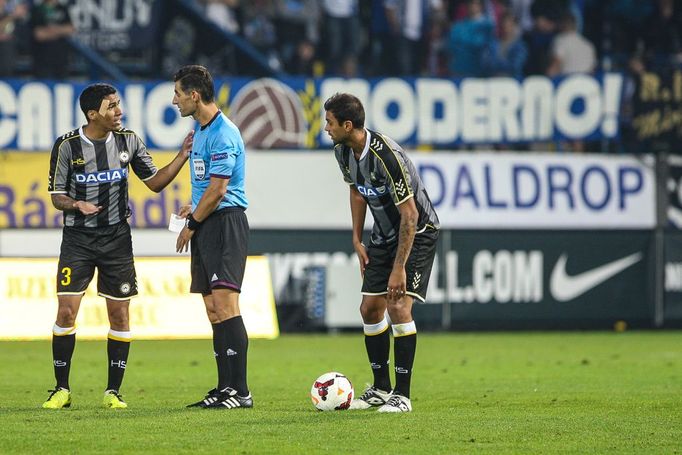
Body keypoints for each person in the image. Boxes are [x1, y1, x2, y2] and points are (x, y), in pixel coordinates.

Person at [43, 83, 193, 409]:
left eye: (118, 104)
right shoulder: (67, 146)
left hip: (117, 241)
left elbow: (154, 183)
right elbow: (56, 196)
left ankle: (113, 392)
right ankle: (61, 389)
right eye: (111, 106)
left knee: (120, 316)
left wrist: (181, 156)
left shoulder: (129, 141)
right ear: (92, 114)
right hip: (78, 240)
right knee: (66, 311)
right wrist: (75, 205)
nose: (119, 111)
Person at [323, 93, 440, 413]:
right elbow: (356, 191)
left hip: (418, 232)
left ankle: (402, 396)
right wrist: (357, 239)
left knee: (398, 305)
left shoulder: (387, 156)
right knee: (369, 309)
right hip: (384, 235)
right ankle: (380, 388)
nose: (326, 128)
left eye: (330, 123)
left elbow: (411, 215)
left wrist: (399, 268)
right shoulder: (342, 152)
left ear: (348, 125)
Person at [172, 65, 252, 410]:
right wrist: (193, 206)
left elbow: (220, 191)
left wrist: (192, 222)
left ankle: (241, 391)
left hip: (224, 224)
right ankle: (224, 388)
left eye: (177, 93)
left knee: (226, 304)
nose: (173, 100)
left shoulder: (224, 133)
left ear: (194, 95)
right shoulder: (200, 131)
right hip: (206, 222)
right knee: (212, 309)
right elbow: (208, 186)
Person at [30, 0, 74, 79]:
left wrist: (52, 30)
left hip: (61, 58)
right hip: (42, 58)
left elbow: (70, 29)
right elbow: (38, 34)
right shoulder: (37, 9)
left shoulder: (62, 8)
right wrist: (60, 32)